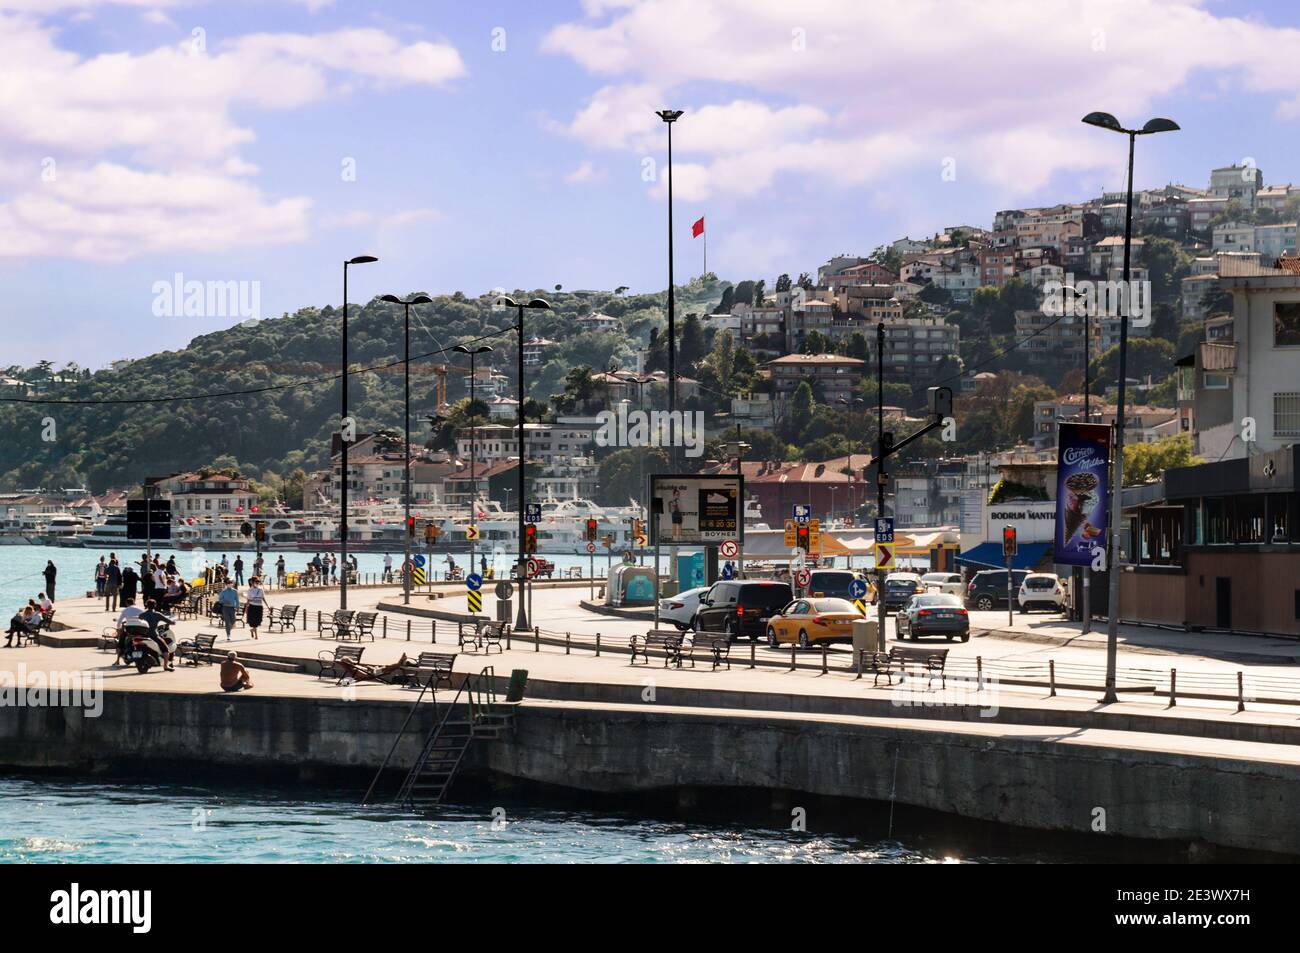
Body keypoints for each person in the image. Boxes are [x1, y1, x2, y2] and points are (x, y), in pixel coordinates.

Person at [138, 598, 177, 671]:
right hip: (153, 635)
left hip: (143, 635)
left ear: (147, 605)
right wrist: (173, 622)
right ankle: (165, 666)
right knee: (166, 649)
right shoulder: (157, 614)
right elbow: (168, 621)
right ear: (155, 605)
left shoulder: (142, 615)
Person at [336, 652, 412, 684]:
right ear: (349, 662)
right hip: (374, 673)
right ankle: (400, 662)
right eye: (350, 660)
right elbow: (366, 675)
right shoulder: (355, 669)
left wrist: (370, 668)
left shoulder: (354, 668)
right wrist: (371, 669)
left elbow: (364, 672)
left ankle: (401, 662)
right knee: (387, 668)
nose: (352, 661)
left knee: (387, 667)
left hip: (373, 671)